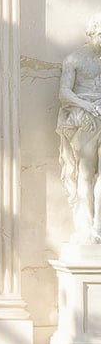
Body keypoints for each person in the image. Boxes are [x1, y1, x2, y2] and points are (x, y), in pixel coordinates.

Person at [57, 14, 101, 244]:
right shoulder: (74, 59)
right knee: (85, 173)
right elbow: (64, 92)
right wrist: (87, 105)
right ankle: (86, 227)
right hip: (83, 117)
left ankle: (98, 227)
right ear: (91, 33)